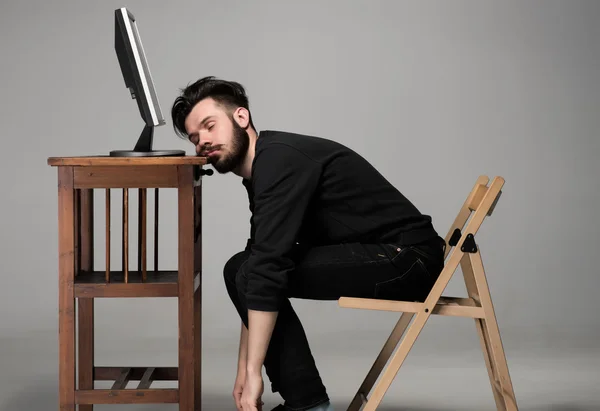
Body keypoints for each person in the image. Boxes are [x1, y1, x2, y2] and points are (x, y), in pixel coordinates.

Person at [171, 76, 446, 411]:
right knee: (242, 267)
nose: (203, 142)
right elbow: (258, 263)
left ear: (240, 118)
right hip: (391, 253)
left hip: (408, 258)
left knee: (250, 269)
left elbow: (265, 269)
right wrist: (244, 369)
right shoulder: (264, 167)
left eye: (210, 126)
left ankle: (307, 404)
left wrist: (254, 371)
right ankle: (307, 402)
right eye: (195, 138)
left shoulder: (279, 161)